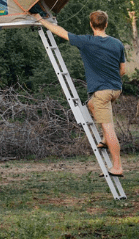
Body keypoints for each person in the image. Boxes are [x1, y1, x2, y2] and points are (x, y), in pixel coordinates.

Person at [33, 11, 126, 177]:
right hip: (116, 89)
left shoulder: (86, 41)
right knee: (90, 104)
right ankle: (105, 140)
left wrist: (41, 20)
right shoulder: (117, 43)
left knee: (109, 128)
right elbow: (123, 71)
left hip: (102, 92)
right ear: (106, 24)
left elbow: (60, 32)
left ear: (91, 25)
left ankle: (117, 166)